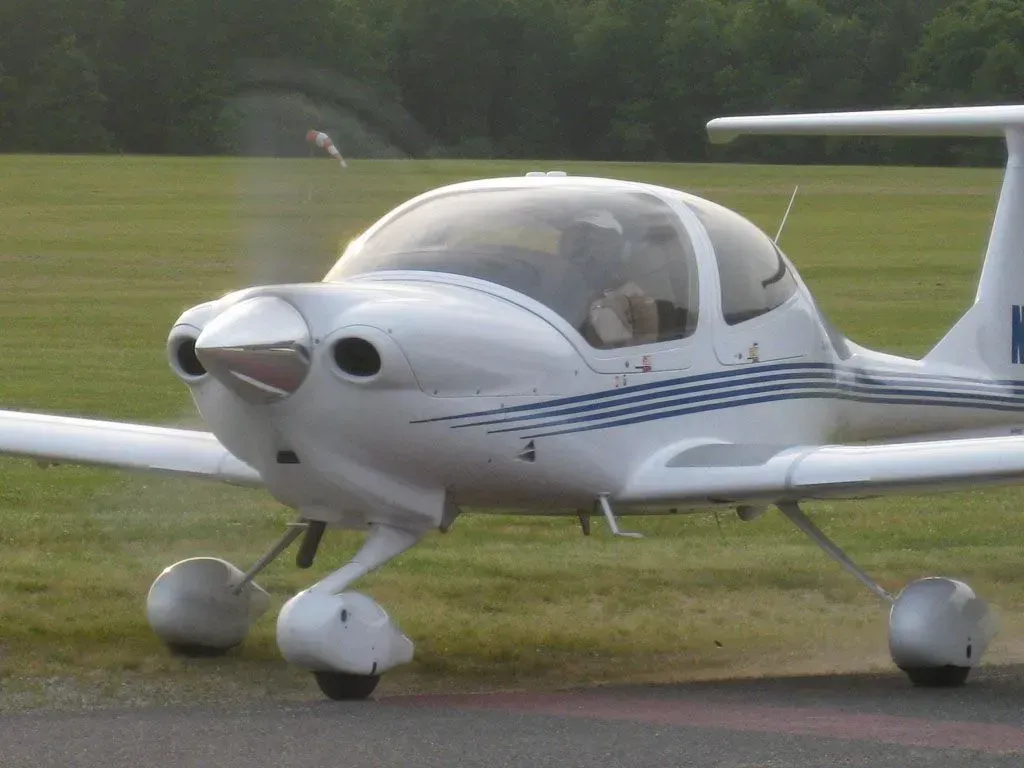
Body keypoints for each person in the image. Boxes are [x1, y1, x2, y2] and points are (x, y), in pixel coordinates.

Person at [558, 210, 659, 347]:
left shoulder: (633, 300)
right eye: (581, 245)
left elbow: (633, 356)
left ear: (619, 251)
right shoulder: (563, 287)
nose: (588, 254)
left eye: (600, 244)